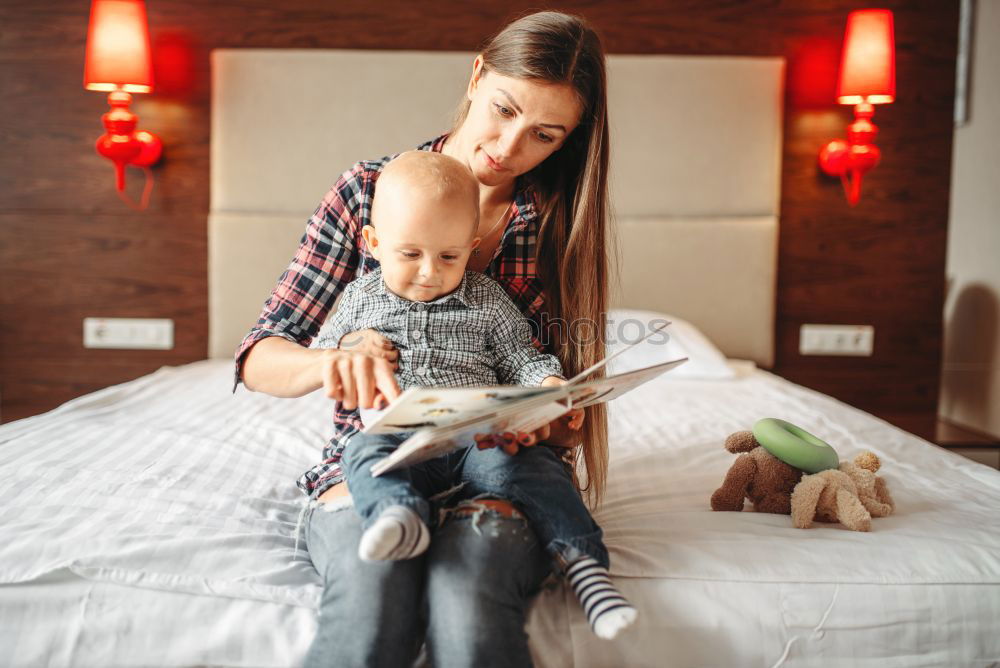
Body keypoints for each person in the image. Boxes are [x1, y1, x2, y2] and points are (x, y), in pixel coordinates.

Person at [236, 10, 615, 667]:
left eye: (543, 135)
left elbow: (566, 414)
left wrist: (544, 417)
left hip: (502, 470)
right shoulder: (366, 194)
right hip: (378, 463)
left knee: (468, 611)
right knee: (372, 599)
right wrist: (331, 360)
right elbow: (262, 355)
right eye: (503, 109)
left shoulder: (559, 226)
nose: (506, 146)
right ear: (477, 75)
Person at [314, 150, 636, 640]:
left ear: (473, 246)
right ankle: (397, 516)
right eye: (410, 254)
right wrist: (349, 346)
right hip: (399, 441)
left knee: (532, 466)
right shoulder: (359, 299)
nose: (429, 271)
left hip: (475, 441)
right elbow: (321, 356)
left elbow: (522, 358)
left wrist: (549, 386)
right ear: (375, 244)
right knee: (362, 454)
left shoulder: (487, 299)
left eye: (449, 256)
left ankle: (585, 566)